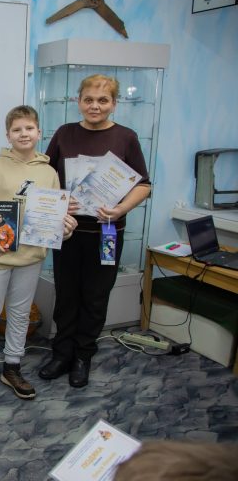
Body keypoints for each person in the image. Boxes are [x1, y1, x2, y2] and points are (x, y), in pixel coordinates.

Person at [0, 105, 77, 400]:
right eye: (17, 129)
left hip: (30, 257)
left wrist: (65, 228)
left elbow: (54, 215)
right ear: (7, 135)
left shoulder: (49, 173)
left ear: (39, 132)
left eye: (29, 128)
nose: (24, 134)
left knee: (20, 314)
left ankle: (12, 366)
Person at [38, 74, 151, 388]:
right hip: (68, 232)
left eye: (103, 100)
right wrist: (60, 203)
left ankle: (82, 356)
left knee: (96, 296)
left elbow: (144, 185)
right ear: (79, 101)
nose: (95, 106)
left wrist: (120, 209)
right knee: (66, 295)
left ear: (114, 103)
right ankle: (62, 353)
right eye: (88, 99)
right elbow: (46, 177)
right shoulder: (65, 133)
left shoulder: (126, 137)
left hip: (107, 234)